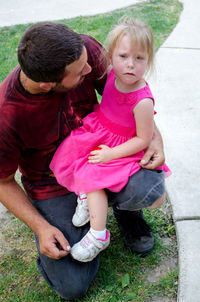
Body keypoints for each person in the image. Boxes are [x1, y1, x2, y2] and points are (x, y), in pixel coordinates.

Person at [0, 21, 166, 300]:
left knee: (148, 185)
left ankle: (126, 215)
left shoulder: (81, 51)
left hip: (101, 157)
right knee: (72, 286)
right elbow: (3, 182)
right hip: (53, 183)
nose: (91, 70)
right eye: (80, 73)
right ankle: (74, 220)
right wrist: (41, 227)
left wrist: (153, 137)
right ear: (47, 84)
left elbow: (127, 91)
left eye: (87, 63)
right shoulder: (7, 116)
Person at [50, 18, 171, 263]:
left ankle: (98, 234)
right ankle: (85, 196)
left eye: (140, 58)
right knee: (72, 153)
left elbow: (142, 138)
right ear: (110, 56)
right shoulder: (111, 74)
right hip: (100, 129)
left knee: (95, 170)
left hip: (125, 147)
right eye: (124, 56)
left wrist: (112, 154)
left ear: (149, 60)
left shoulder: (143, 100)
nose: (130, 65)